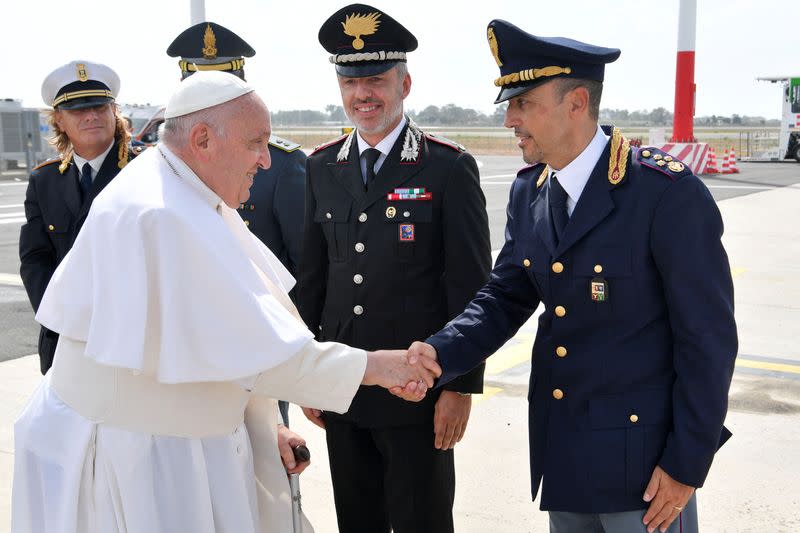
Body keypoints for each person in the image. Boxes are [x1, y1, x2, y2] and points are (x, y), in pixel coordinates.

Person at [11, 71, 439, 533]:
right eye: (256, 143)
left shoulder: (184, 190)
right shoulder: (161, 214)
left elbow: (232, 345)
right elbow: (256, 353)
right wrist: (380, 367)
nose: (266, 161)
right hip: (135, 459)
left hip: (174, 443)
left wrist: (265, 426)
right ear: (202, 139)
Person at [405, 19, 738, 533]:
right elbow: (507, 295)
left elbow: (708, 341)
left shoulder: (663, 194)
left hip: (645, 470)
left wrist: (686, 464)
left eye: (523, 104)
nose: (510, 120)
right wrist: (441, 350)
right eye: (509, 105)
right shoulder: (529, 191)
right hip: (565, 453)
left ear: (577, 103)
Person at [297, 5, 491, 532]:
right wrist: (309, 377)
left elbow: (471, 289)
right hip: (344, 385)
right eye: (351, 80)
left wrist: (459, 386)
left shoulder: (446, 166)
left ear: (405, 83)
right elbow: (314, 280)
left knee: (420, 522)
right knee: (356, 521)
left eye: (377, 80)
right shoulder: (321, 167)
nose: (364, 94)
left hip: (416, 392)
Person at [167, 21, 307, 425]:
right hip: (190, 358)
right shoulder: (160, 169)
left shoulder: (280, 165)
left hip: (259, 352)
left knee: (269, 464)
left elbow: (302, 266)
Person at [19, 60, 142, 375]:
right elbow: (36, 259)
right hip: (66, 339)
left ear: (113, 111)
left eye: (100, 107)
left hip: (132, 339)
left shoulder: (147, 170)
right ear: (59, 120)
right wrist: (62, 316)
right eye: (77, 110)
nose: (91, 116)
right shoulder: (44, 180)